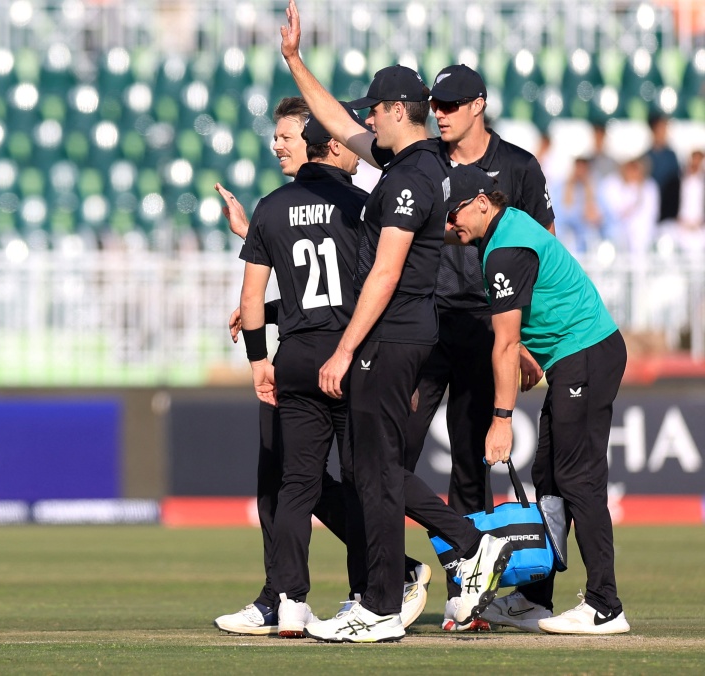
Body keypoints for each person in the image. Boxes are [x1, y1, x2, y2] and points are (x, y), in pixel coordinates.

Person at [278, 0, 513, 642]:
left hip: (391, 335)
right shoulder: (412, 164)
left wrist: (342, 349)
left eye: (373, 111)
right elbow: (332, 120)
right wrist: (295, 61)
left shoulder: (410, 179)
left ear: (397, 112)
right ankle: (451, 549)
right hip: (401, 335)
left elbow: (385, 271)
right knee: (371, 470)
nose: (364, 121)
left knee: (375, 473)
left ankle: (383, 605)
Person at [213, 98, 430, 637]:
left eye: (286, 137)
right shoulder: (363, 205)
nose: (279, 146)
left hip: (298, 356)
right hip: (357, 353)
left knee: (297, 487)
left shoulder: (269, 207)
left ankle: (289, 601)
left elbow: (254, 294)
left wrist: (259, 359)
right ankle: (375, 588)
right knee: (368, 479)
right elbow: (376, 277)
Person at [445, 164, 630, 635]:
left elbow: (504, 343)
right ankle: (534, 599)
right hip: (576, 355)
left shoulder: (504, 250)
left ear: (482, 202)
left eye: (454, 214)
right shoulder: (502, 230)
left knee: (576, 477)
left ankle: (605, 605)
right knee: (549, 475)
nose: (450, 225)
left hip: (584, 353)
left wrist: (502, 419)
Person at [405, 64, 556, 632]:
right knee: (392, 454)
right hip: (422, 324)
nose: (439, 112)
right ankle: (385, 581)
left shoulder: (518, 167)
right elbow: (353, 140)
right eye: (434, 104)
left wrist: (521, 339)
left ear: (479, 105)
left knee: (470, 468)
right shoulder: (422, 161)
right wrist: (296, 64)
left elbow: (541, 253)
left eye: (449, 103)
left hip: (484, 328)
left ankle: (464, 598)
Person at [646, 113, 681, 224]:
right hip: (650, 210)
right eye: (661, 128)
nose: (664, 132)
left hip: (668, 211)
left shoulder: (672, 156)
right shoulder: (646, 156)